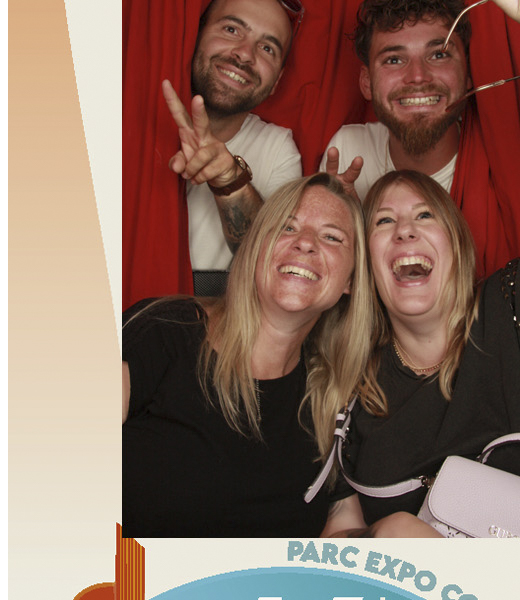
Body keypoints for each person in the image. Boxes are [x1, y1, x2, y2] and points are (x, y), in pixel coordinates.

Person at [320, 0, 520, 539]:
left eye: (439, 52)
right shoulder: (349, 388)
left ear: (461, 242)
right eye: (381, 222)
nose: (419, 76)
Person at [122, 174, 377, 538]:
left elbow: (341, 526)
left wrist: (391, 535)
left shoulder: (329, 397)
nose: (305, 242)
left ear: (351, 280)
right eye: (287, 227)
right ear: (257, 248)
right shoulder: (163, 330)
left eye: (332, 237)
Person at [162, 0, 305, 298]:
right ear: (194, 35)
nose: (244, 54)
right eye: (231, 29)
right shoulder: (126, 112)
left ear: (277, 81)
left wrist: (229, 179)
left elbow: (270, 262)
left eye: (267, 48)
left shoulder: (277, 148)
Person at [320, 0, 473, 203]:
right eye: (394, 60)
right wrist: (346, 216)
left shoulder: (500, 159)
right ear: (367, 82)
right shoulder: (348, 149)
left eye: (438, 55)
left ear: (469, 73)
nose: (418, 76)